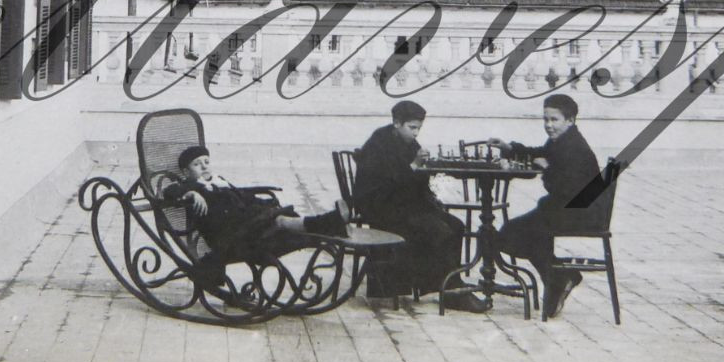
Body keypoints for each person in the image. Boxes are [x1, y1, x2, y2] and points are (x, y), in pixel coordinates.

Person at [351, 100, 490, 313]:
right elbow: (385, 186)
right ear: (397, 123)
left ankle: (449, 284)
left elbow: (413, 184)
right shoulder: (380, 143)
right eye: (412, 128)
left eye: (419, 128)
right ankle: (448, 290)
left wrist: (425, 175)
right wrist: (415, 166)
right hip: (381, 209)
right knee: (439, 231)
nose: (416, 133)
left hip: (402, 205)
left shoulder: (407, 143)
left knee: (456, 225)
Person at [487, 93, 601, 319]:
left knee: (512, 233)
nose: (549, 125)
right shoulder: (562, 141)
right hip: (562, 209)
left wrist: (547, 170)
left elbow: (566, 188)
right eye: (546, 120)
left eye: (554, 120)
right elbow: (541, 153)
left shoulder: (574, 148)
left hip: (578, 213)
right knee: (518, 232)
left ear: (570, 121)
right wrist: (510, 147)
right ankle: (558, 278)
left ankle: (557, 278)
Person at [158, 146, 348, 277]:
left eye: (206, 161)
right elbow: (169, 191)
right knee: (280, 222)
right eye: (197, 164)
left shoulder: (219, 180)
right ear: (186, 172)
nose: (204, 166)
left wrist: (260, 202)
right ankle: (329, 223)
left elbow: (241, 197)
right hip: (228, 235)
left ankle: (327, 225)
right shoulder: (189, 185)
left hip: (245, 226)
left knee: (281, 220)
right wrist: (191, 192)